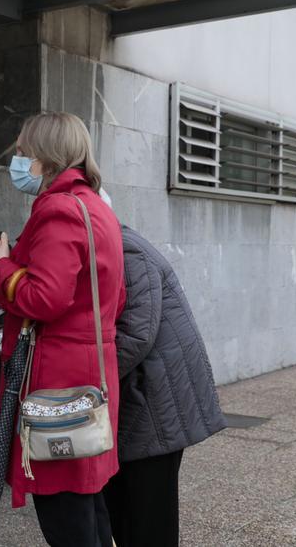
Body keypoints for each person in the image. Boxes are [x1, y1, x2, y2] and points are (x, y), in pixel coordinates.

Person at [0, 111, 126, 547]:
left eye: (23, 152)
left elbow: (44, 298)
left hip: (58, 381)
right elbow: (116, 298)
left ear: (45, 160)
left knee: (65, 508)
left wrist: (1, 263)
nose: (18, 160)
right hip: (91, 372)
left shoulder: (59, 209)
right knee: (88, 502)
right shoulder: (95, 207)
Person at [105, 220, 226, 547]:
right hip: (150, 394)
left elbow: (136, 334)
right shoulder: (117, 244)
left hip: (155, 401)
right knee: (130, 511)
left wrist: (83, 382)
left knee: (147, 518)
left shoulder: (127, 249)